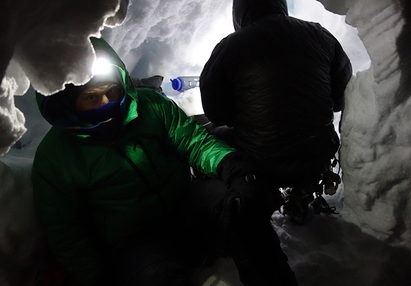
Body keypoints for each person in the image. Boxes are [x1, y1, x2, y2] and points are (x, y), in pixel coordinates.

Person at [32, 37, 298, 286]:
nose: (107, 101)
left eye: (112, 91)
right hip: (136, 242)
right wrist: (96, 278)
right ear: (68, 102)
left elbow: (194, 142)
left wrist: (232, 165)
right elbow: (65, 230)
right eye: (92, 97)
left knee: (237, 204)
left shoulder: (150, 106)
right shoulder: (56, 157)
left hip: (186, 205)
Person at [200, 0, 352, 220]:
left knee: (210, 139)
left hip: (261, 161)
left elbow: (217, 114)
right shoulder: (321, 35)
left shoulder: (230, 47)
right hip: (318, 154)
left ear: (239, 13)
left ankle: (253, 192)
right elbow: (341, 98)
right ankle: (303, 188)